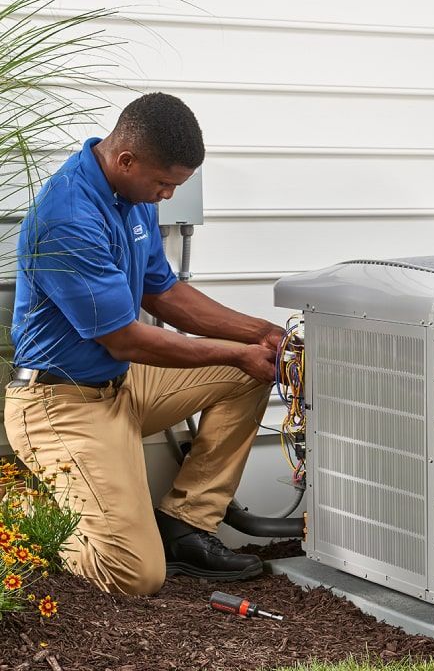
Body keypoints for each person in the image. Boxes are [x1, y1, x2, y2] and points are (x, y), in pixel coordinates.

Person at [3, 92, 285, 595]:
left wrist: (260, 334)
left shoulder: (130, 199)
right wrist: (235, 349)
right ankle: (24, 513)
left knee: (246, 373)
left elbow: (165, 291)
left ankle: (187, 526)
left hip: (119, 386)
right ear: (125, 159)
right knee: (134, 575)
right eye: (162, 183)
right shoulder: (68, 216)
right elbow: (125, 339)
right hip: (60, 402)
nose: (167, 196)